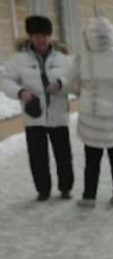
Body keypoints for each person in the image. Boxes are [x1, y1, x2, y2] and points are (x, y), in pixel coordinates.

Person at [68, 17, 113, 208]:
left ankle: (89, 197)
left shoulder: (83, 58)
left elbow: (71, 83)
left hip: (92, 120)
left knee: (92, 159)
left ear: (90, 37)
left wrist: (81, 93)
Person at [1, 15, 73, 201]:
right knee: (37, 156)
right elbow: (6, 80)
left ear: (50, 36)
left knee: (63, 155)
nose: (41, 39)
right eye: (37, 35)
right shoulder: (18, 60)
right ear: (30, 37)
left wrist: (61, 83)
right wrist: (21, 92)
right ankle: (43, 190)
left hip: (58, 114)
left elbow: (75, 81)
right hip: (34, 115)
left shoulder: (64, 59)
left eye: (45, 35)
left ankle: (65, 188)